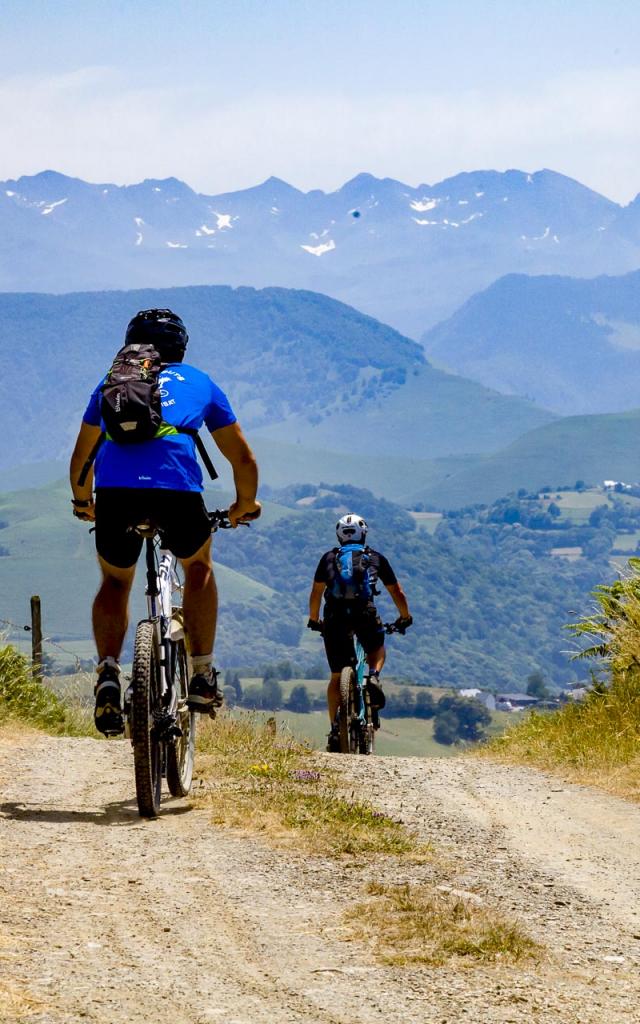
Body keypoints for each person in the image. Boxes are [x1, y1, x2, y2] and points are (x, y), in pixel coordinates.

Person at [69, 308, 261, 735]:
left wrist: (83, 502)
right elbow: (243, 458)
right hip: (177, 494)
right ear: (182, 347)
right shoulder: (200, 382)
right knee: (199, 566)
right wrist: (244, 504)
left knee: (116, 581)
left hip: (116, 497)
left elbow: (81, 458)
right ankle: (202, 675)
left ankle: (106, 673)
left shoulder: (111, 383)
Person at [307, 513, 412, 749]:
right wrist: (405, 617)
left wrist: (314, 620)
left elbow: (315, 594)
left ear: (339, 536)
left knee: (336, 677)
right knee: (377, 648)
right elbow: (397, 593)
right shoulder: (375, 558)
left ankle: (336, 729)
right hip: (364, 613)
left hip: (334, 618)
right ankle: (373, 675)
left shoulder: (329, 558)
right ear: (363, 534)